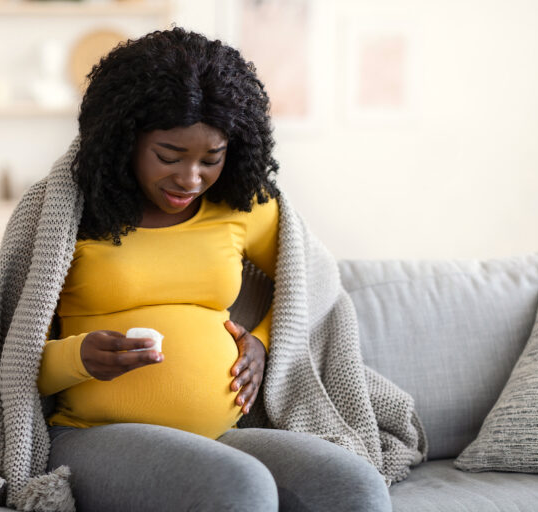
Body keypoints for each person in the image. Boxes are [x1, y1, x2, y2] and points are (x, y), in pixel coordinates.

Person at [35, 26, 392, 512]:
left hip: (222, 436)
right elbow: (11, 361)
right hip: (93, 437)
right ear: (124, 139)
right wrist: (80, 358)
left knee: (355, 486)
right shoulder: (67, 212)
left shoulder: (243, 207)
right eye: (169, 156)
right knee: (238, 487)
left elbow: (313, 284)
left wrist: (267, 341)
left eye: (211, 159)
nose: (190, 178)